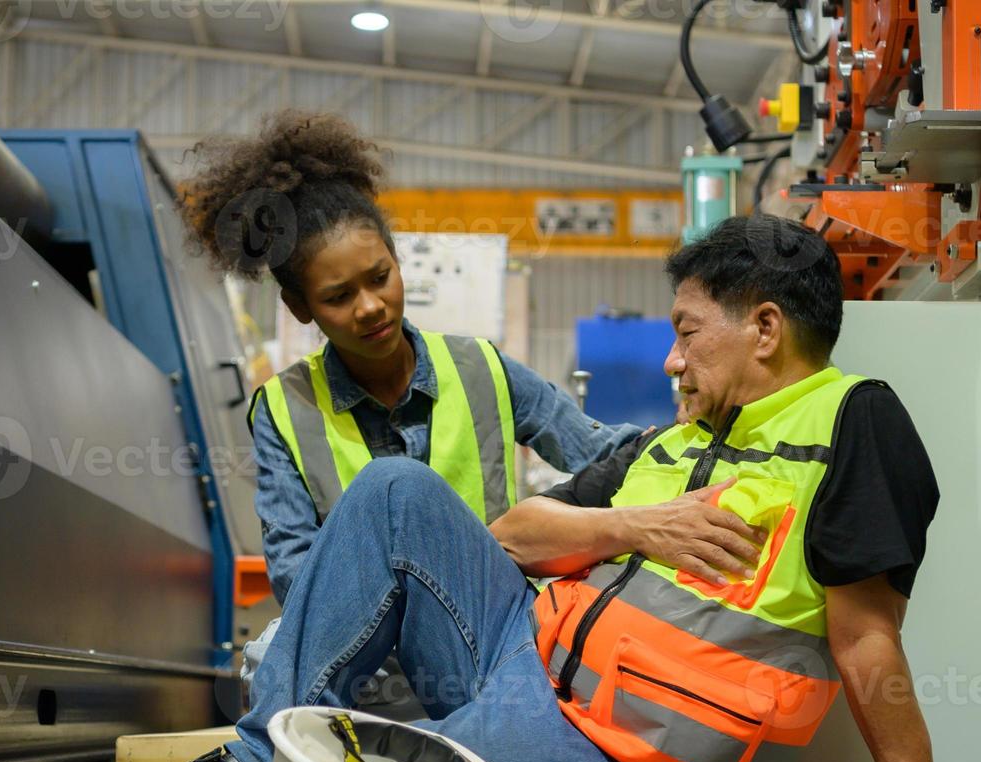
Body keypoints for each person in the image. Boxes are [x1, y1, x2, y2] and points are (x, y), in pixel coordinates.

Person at [98, 215, 967, 762]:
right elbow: (513, 537)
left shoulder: (851, 420)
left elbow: (864, 636)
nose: (671, 360)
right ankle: (260, 761)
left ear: (766, 330)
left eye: (686, 332)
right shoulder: (673, 443)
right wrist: (636, 526)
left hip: (634, 754)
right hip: (529, 655)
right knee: (393, 489)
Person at [173, 110, 645, 704]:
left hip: (491, 636)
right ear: (299, 308)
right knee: (270, 655)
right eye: (339, 297)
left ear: (398, 262)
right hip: (368, 657)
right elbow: (296, 572)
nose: (370, 307)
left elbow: (604, 449)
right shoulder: (284, 409)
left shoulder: (481, 368)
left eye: (380, 277)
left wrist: (702, 441)